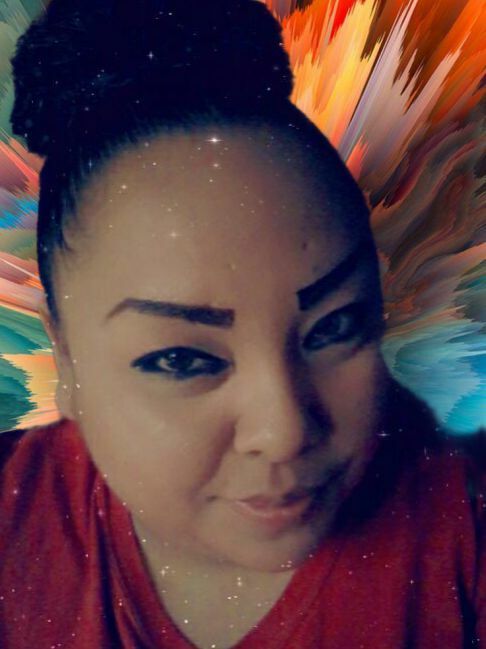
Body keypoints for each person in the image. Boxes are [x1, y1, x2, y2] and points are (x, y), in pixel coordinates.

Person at [0, 0, 484, 647]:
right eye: (182, 359)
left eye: (335, 326)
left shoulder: (465, 524)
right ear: (66, 359)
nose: (284, 432)